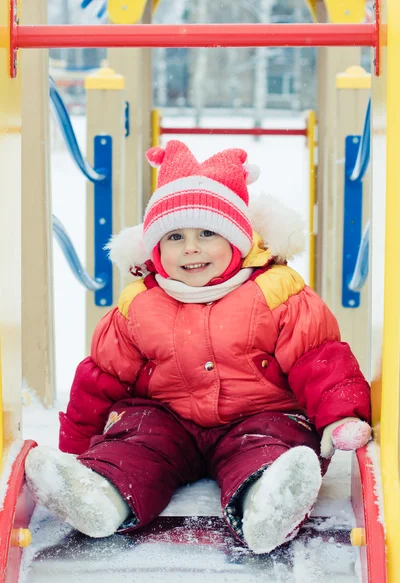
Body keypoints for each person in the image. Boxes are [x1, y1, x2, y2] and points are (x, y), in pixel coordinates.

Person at [25, 140, 371, 554]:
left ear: (238, 241)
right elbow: (102, 376)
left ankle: (267, 503)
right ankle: (100, 495)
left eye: (208, 233)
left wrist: (339, 417)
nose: (191, 247)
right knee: (136, 442)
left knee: (272, 444)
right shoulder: (139, 304)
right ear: (156, 249)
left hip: (260, 415)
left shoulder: (277, 292)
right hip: (167, 420)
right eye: (175, 236)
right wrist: (79, 445)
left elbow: (319, 359)